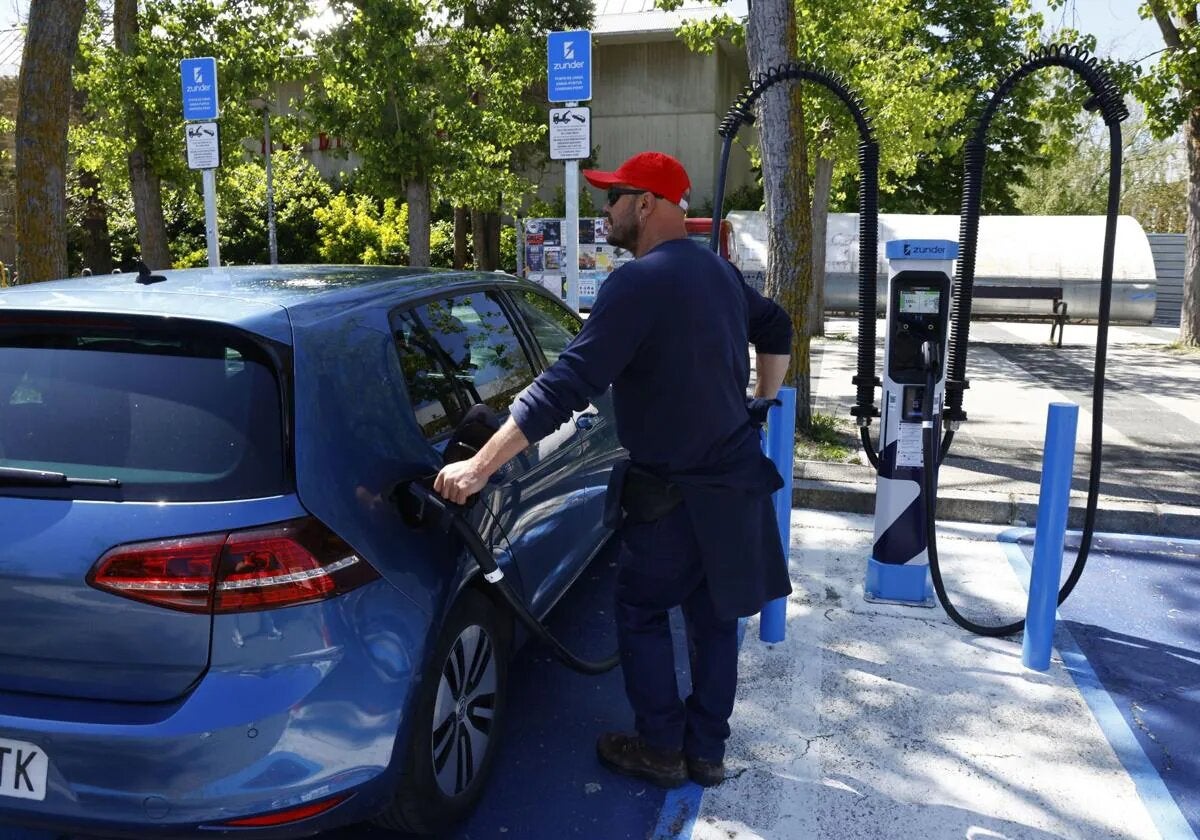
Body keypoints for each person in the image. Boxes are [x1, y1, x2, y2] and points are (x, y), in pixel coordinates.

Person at [434, 150, 793, 789]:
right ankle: (706, 752)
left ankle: (660, 748)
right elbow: (779, 326)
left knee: (640, 610)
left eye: (614, 197)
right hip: (734, 487)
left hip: (670, 501)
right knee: (715, 623)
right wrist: (760, 403)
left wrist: (479, 468)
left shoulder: (637, 283)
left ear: (647, 203)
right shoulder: (718, 273)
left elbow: (563, 385)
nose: (605, 209)